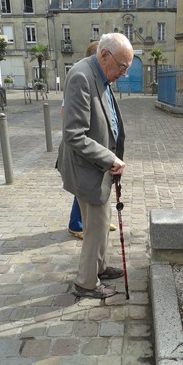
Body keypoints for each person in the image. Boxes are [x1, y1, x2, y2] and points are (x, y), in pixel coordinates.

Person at [57, 33, 134, 299]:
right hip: (86, 168)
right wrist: (109, 158)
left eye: (127, 68)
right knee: (93, 229)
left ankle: (99, 267)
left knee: (103, 222)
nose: (123, 73)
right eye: (122, 67)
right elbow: (74, 135)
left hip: (98, 167)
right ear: (104, 55)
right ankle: (86, 283)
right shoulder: (81, 76)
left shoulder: (100, 74)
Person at [67, 41, 116, 239]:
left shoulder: (102, 81)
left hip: (97, 155)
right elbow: (74, 133)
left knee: (91, 199)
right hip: (85, 155)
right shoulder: (81, 77)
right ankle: (77, 224)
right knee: (83, 193)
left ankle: (93, 223)